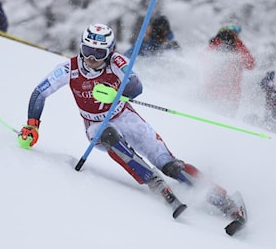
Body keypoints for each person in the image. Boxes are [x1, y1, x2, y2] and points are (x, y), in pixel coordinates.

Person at [18, 23, 244, 222]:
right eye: (87, 51)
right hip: (95, 124)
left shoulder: (117, 61)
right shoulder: (70, 68)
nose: (92, 58)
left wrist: (116, 91)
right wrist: (32, 125)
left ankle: (224, 201)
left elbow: (136, 87)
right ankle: (154, 181)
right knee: (107, 134)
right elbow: (40, 92)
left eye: (98, 53)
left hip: (125, 115)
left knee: (171, 165)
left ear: (109, 51)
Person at [203, 23, 256, 117]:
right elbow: (203, 60)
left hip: (231, 93)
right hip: (215, 91)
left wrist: (237, 47)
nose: (231, 34)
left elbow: (250, 64)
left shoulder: (238, 45)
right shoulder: (216, 43)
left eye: (234, 32)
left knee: (226, 120)